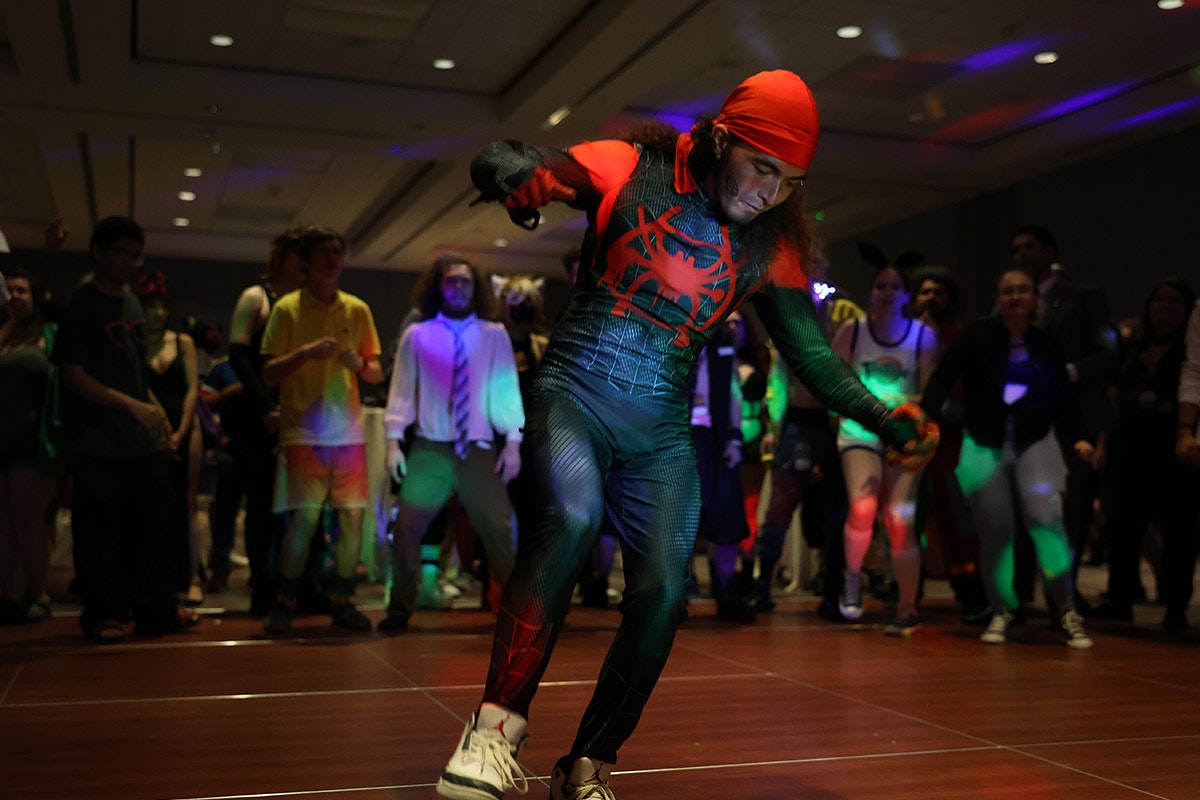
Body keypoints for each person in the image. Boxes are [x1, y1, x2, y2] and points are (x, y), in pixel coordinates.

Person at [435, 70, 938, 800]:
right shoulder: (630, 168)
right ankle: (492, 730)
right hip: (574, 390)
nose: (769, 191)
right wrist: (514, 169)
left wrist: (889, 419)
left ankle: (588, 764)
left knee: (667, 595)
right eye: (762, 167)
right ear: (723, 137)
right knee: (568, 522)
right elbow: (528, 161)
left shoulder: (772, 247)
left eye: (789, 180)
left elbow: (815, 361)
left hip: (661, 433)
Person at [921, 268, 1094, 649]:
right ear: (997, 299)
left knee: (1046, 521)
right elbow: (942, 378)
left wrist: (1081, 436)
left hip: (1035, 439)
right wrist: (925, 417)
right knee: (995, 531)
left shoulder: (1045, 343)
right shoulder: (975, 337)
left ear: (1034, 299)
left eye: (1022, 290)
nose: (1015, 297)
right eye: (1007, 291)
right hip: (985, 441)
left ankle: (1065, 609)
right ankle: (1001, 609)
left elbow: (1063, 396)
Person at [52, 216, 199, 642]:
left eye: (135, 256)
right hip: (98, 442)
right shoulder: (82, 305)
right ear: (98, 252)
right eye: (121, 253)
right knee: (101, 533)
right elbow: (72, 374)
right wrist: (132, 406)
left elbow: (135, 375)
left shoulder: (132, 303)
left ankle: (157, 611)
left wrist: (154, 412)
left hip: (140, 441)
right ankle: (106, 615)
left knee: (155, 526)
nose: (129, 262)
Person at [377, 253, 524, 632]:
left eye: (465, 281)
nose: (458, 288)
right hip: (431, 447)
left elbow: (505, 389)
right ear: (438, 287)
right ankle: (400, 607)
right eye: (450, 281)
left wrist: (512, 441)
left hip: (477, 448)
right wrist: (394, 440)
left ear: (475, 288)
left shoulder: (493, 335)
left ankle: (515, 612)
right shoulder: (419, 334)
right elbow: (402, 390)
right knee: (407, 527)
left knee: (498, 529)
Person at [259, 226, 383, 633]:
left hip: (347, 435)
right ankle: (284, 602)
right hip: (303, 434)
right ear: (308, 263)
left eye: (338, 251)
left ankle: (342, 601)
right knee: (305, 523)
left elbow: (376, 372)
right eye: (324, 252)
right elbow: (268, 373)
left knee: (350, 522)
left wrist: (360, 367)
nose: (333, 258)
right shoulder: (287, 309)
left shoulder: (357, 309)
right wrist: (306, 353)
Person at [1010, 225, 1118, 608]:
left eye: (1029, 247)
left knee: (1069, 511)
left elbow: (1108, 353)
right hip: (1026, 420)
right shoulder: (1012, 301)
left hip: (1073, 419)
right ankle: (1018, 598)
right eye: (1016, 248)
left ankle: (1062, 598)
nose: (1021, 254)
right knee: (1022, 510)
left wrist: (1066, 371)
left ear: (1049, 250)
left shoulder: (1083, 297)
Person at [829, 263, 937, 635]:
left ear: (906, 294)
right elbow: (832, 382)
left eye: (895, 285)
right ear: (871, 293)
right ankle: (854, 577)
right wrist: (863, 410)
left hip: (905, 433)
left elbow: (930, 390)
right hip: (860, 428)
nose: (888, 292)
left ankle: (908, 605)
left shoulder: (923, 335)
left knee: (899, 518)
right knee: (863, 507)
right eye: (881, 285)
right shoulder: (853, 331)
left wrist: (902, 409)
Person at [1092, 278, 1198, 628]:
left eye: (1173, 302)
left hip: (1172, 450)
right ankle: (1120, 598)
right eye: (1159, 301)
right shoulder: (1133, 346)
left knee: (1178, 531)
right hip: (1129, 446)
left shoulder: (1191, 349)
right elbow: (1112, 398)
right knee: (1122, 528)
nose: (1164, 307)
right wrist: (1104, 444)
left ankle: (1176, 606)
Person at [220, 228, 308, 613]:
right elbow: (238, 355)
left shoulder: (306, 302)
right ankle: (263, 586)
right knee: (260, 506)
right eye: (298, 254)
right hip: (258, 415)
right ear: (282, 256)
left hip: (293, 414)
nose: (305, 262)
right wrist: (262, 405)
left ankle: (292, 586)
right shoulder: (257, 297)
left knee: (294, 508)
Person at [910, 267, 986, 619]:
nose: (930, 298)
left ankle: (970, 592)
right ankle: (910, 593)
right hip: (912, 438)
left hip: (953, 442)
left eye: (938, 292)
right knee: (913, 518)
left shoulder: (962, 337)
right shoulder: (905, 335)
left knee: (957, 519)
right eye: (924, 292)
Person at [132, 272, 203, 605]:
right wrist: (162, 427)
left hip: (184, 429)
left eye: (162, 306)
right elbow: (137, 387)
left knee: (186, 505)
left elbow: (193, 390)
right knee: (147, 506)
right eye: (150, 306)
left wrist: (181, 430)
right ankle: (149, 577)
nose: (157, 313)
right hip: (146, 431)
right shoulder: (134, 343)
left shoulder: (183, 342)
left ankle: (190, 577)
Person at [0, 268, 59, 622]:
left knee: (28, 522)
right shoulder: (1, 334)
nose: (16, 296)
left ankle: (39, 592)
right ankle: (7, 595)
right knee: (2, 524)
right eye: (9, 291)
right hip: (0, 440)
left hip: (30, 442)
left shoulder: (45, 335)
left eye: (22, 290)